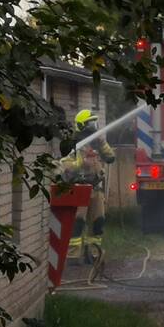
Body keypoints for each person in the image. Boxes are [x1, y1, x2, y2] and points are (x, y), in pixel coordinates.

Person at [60, 109, 116, 264]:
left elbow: (111, 158)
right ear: (82, 125)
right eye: (91, 123)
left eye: (95, 123)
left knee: (98, 222)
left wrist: (102, 142)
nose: (94, 126)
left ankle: (92, 254)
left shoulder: (96, 143)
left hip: (95, 189)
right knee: (77, 223)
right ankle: (72, 256)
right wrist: (80, 163)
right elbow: (63, 166)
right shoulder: (73, 144)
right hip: (79, 188)